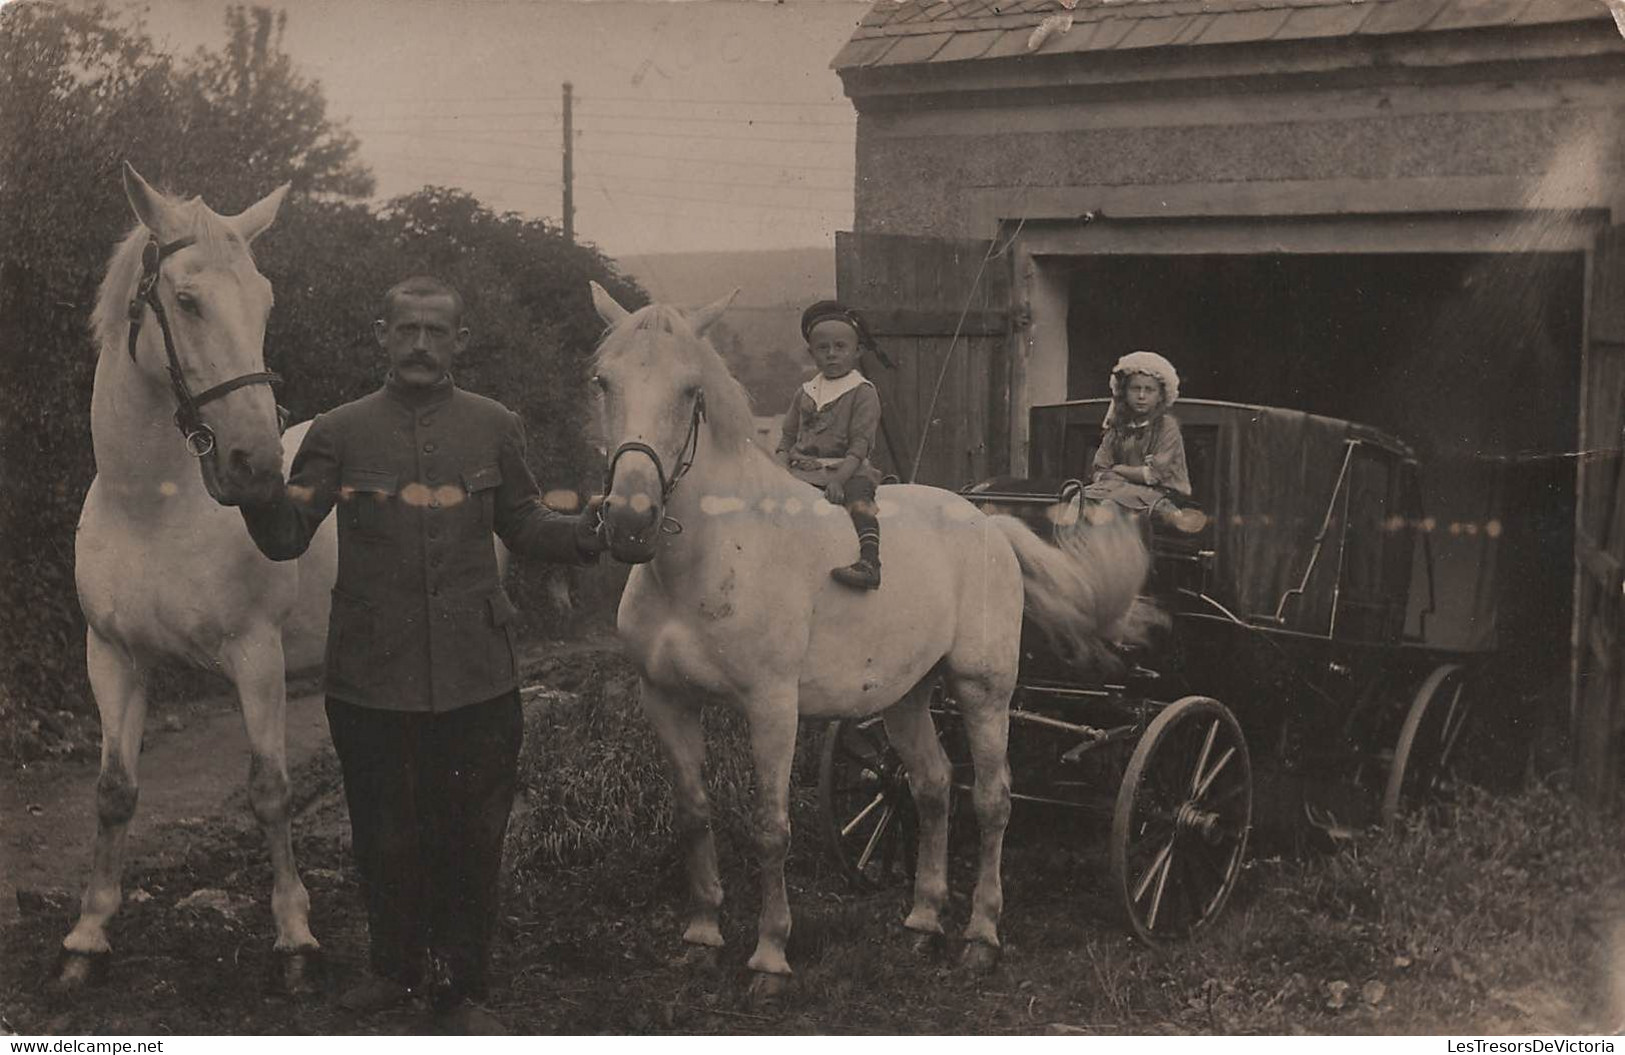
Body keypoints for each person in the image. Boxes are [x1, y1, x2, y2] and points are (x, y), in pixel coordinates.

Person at [238, 276, 605, 1034]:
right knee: (382, 830)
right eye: (406, 330)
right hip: (371, 676)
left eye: (437, 332)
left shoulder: (494, 425)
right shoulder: (336, 432)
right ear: (382, 335)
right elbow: (284, 536)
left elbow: (527, 521)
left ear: (459, 341)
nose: (420, 346)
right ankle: (392, 968)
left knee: (473, 835)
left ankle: (462, 985)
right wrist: (251, 487)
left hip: (478, 672)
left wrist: (590, 532)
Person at [775, 300, 886, 590]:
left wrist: (839, 479)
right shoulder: (806, 392)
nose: (832, 354)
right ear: (811, 353)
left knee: (860, 502)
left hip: (847, 469)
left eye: (840, 347)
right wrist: (780, 465)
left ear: (857, 351)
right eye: (823, 348)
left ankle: (869, 562)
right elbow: (787, 437)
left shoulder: (862, 392)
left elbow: (860, 444)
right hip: (804, 470)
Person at [1084, 350, 1206, 534]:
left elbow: (1153, 475)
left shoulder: (1167, 426)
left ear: (1160, 396)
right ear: (1125, 392)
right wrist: (1108, 475)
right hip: (1121, 488)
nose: (1141, 396)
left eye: (1149, 390)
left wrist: (1117, 470)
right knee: (1080, 498)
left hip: (1164, 494)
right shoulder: (1118, 425)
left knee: (1111, 504)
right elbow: (1100, 467)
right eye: (1135, 389)